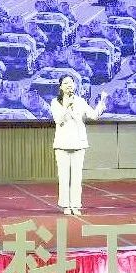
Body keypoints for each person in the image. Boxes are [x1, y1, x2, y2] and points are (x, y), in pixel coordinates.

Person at [50, 76, 107, 216]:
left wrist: (102, 102)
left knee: (77, 177)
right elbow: (58, 120)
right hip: (62, 144)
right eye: (65, 83)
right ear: (60, 87)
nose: (69, 85)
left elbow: (93, 115)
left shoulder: (80, 101)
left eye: (71, 82)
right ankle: (65, 205)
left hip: (78, 143)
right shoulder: (55, 102)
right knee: (64, 177)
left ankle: (75, 205)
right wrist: (66, 106)